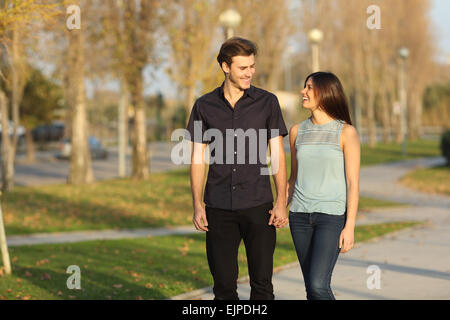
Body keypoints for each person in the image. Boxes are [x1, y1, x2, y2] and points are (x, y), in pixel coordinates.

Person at [185, 37, 289, 300]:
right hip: (219, 207)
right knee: (223, 287)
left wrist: (281, 202)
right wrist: (197, 204)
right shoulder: (203, 106)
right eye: (243, 68)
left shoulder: (268, 102)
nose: (250, 73)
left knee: (262, 285)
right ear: (225, 67)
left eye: (252, 66)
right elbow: (198, 158)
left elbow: (277, 154)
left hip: (259, 205)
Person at [286, 71, 360, 300]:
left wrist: (349, 227)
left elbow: (353, 184)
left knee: (318, 284)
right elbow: (293, 176)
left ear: (325, 92)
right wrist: (281, 205)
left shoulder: (346, 132)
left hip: (331, 217)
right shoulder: (297, 131)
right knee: (311, 287)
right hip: (299, 217)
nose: (303, 92)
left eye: (309, 87)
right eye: (304, 86)